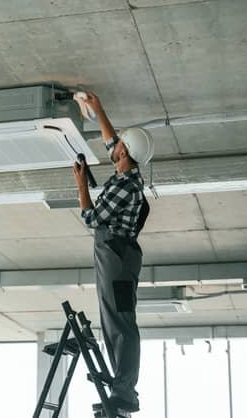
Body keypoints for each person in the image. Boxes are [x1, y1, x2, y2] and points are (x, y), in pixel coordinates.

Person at [72, 92, 152, 414]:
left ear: (125, 153)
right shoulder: (127, 173)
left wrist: (79, 184)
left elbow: (91, 218)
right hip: (117, 255)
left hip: (116, 256)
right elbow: (112, 143)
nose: (115, 144)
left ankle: (125, 392)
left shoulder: (125, 186)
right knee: (116, 322)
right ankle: (123, 390)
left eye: (120, 144)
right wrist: (97, 107)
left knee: (121, 324)